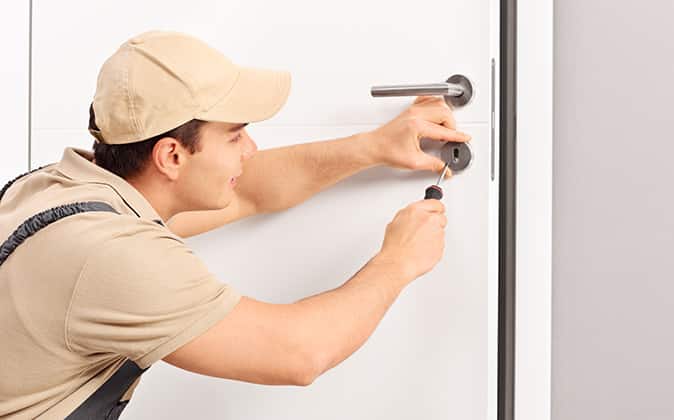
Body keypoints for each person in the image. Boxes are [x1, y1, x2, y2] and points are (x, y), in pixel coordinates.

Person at [0, 30, 471, 419]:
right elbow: (298, 353)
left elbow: (249, 189)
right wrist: (398, 261)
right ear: (172, 155)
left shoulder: (59, 188)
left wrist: (373, 147)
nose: (250, 149)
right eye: (234, 134)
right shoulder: (112, 258)